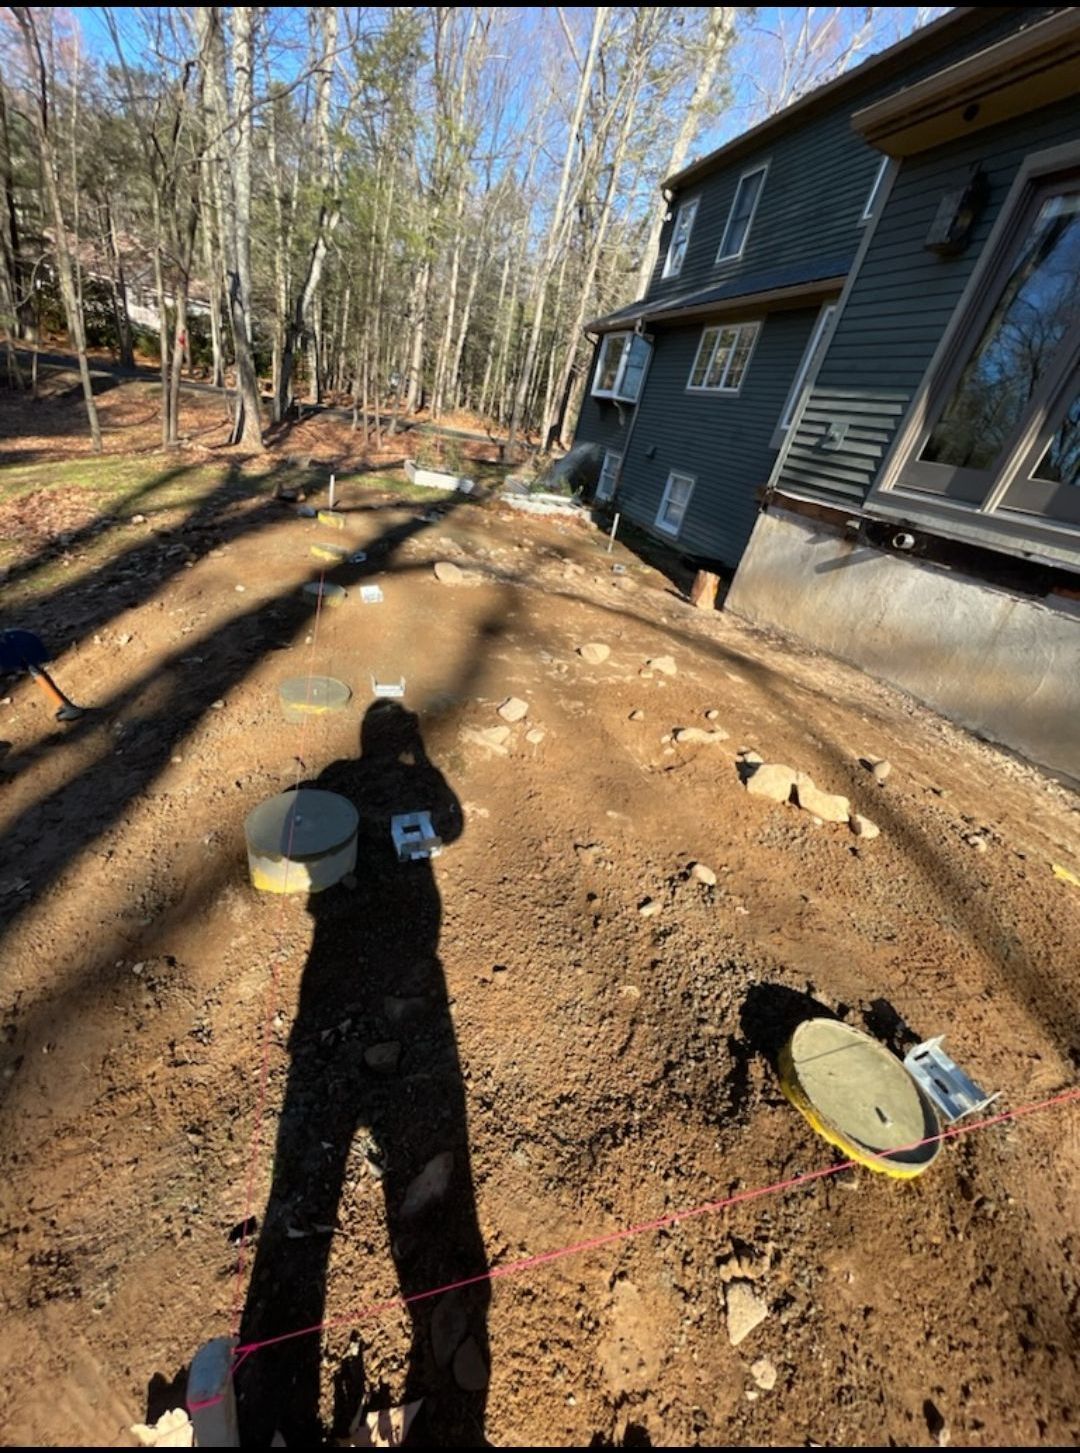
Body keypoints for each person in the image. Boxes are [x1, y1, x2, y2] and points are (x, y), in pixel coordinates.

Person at [239, 702, 489, 1445]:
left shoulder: (349, 777)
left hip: (351, 968)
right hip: (383, 965)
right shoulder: (390, 783)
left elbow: (434, 821)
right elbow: (450, 822)